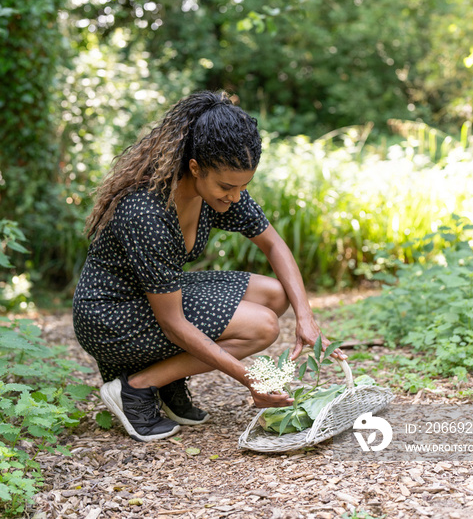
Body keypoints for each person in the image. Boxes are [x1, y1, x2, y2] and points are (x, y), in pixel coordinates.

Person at [73, 90, 345, 442]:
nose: (235, 196)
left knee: (275, 295)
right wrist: (251, 379)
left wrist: (306, 317)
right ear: (195, 166)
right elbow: (172, 323)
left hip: (152, 298)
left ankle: (165, 377)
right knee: (262, 327)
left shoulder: (215, 188)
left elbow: (274, 244)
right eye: (228, 187)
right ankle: (135, 388)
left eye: (244, 186)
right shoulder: (147, 211)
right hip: (110, 317)